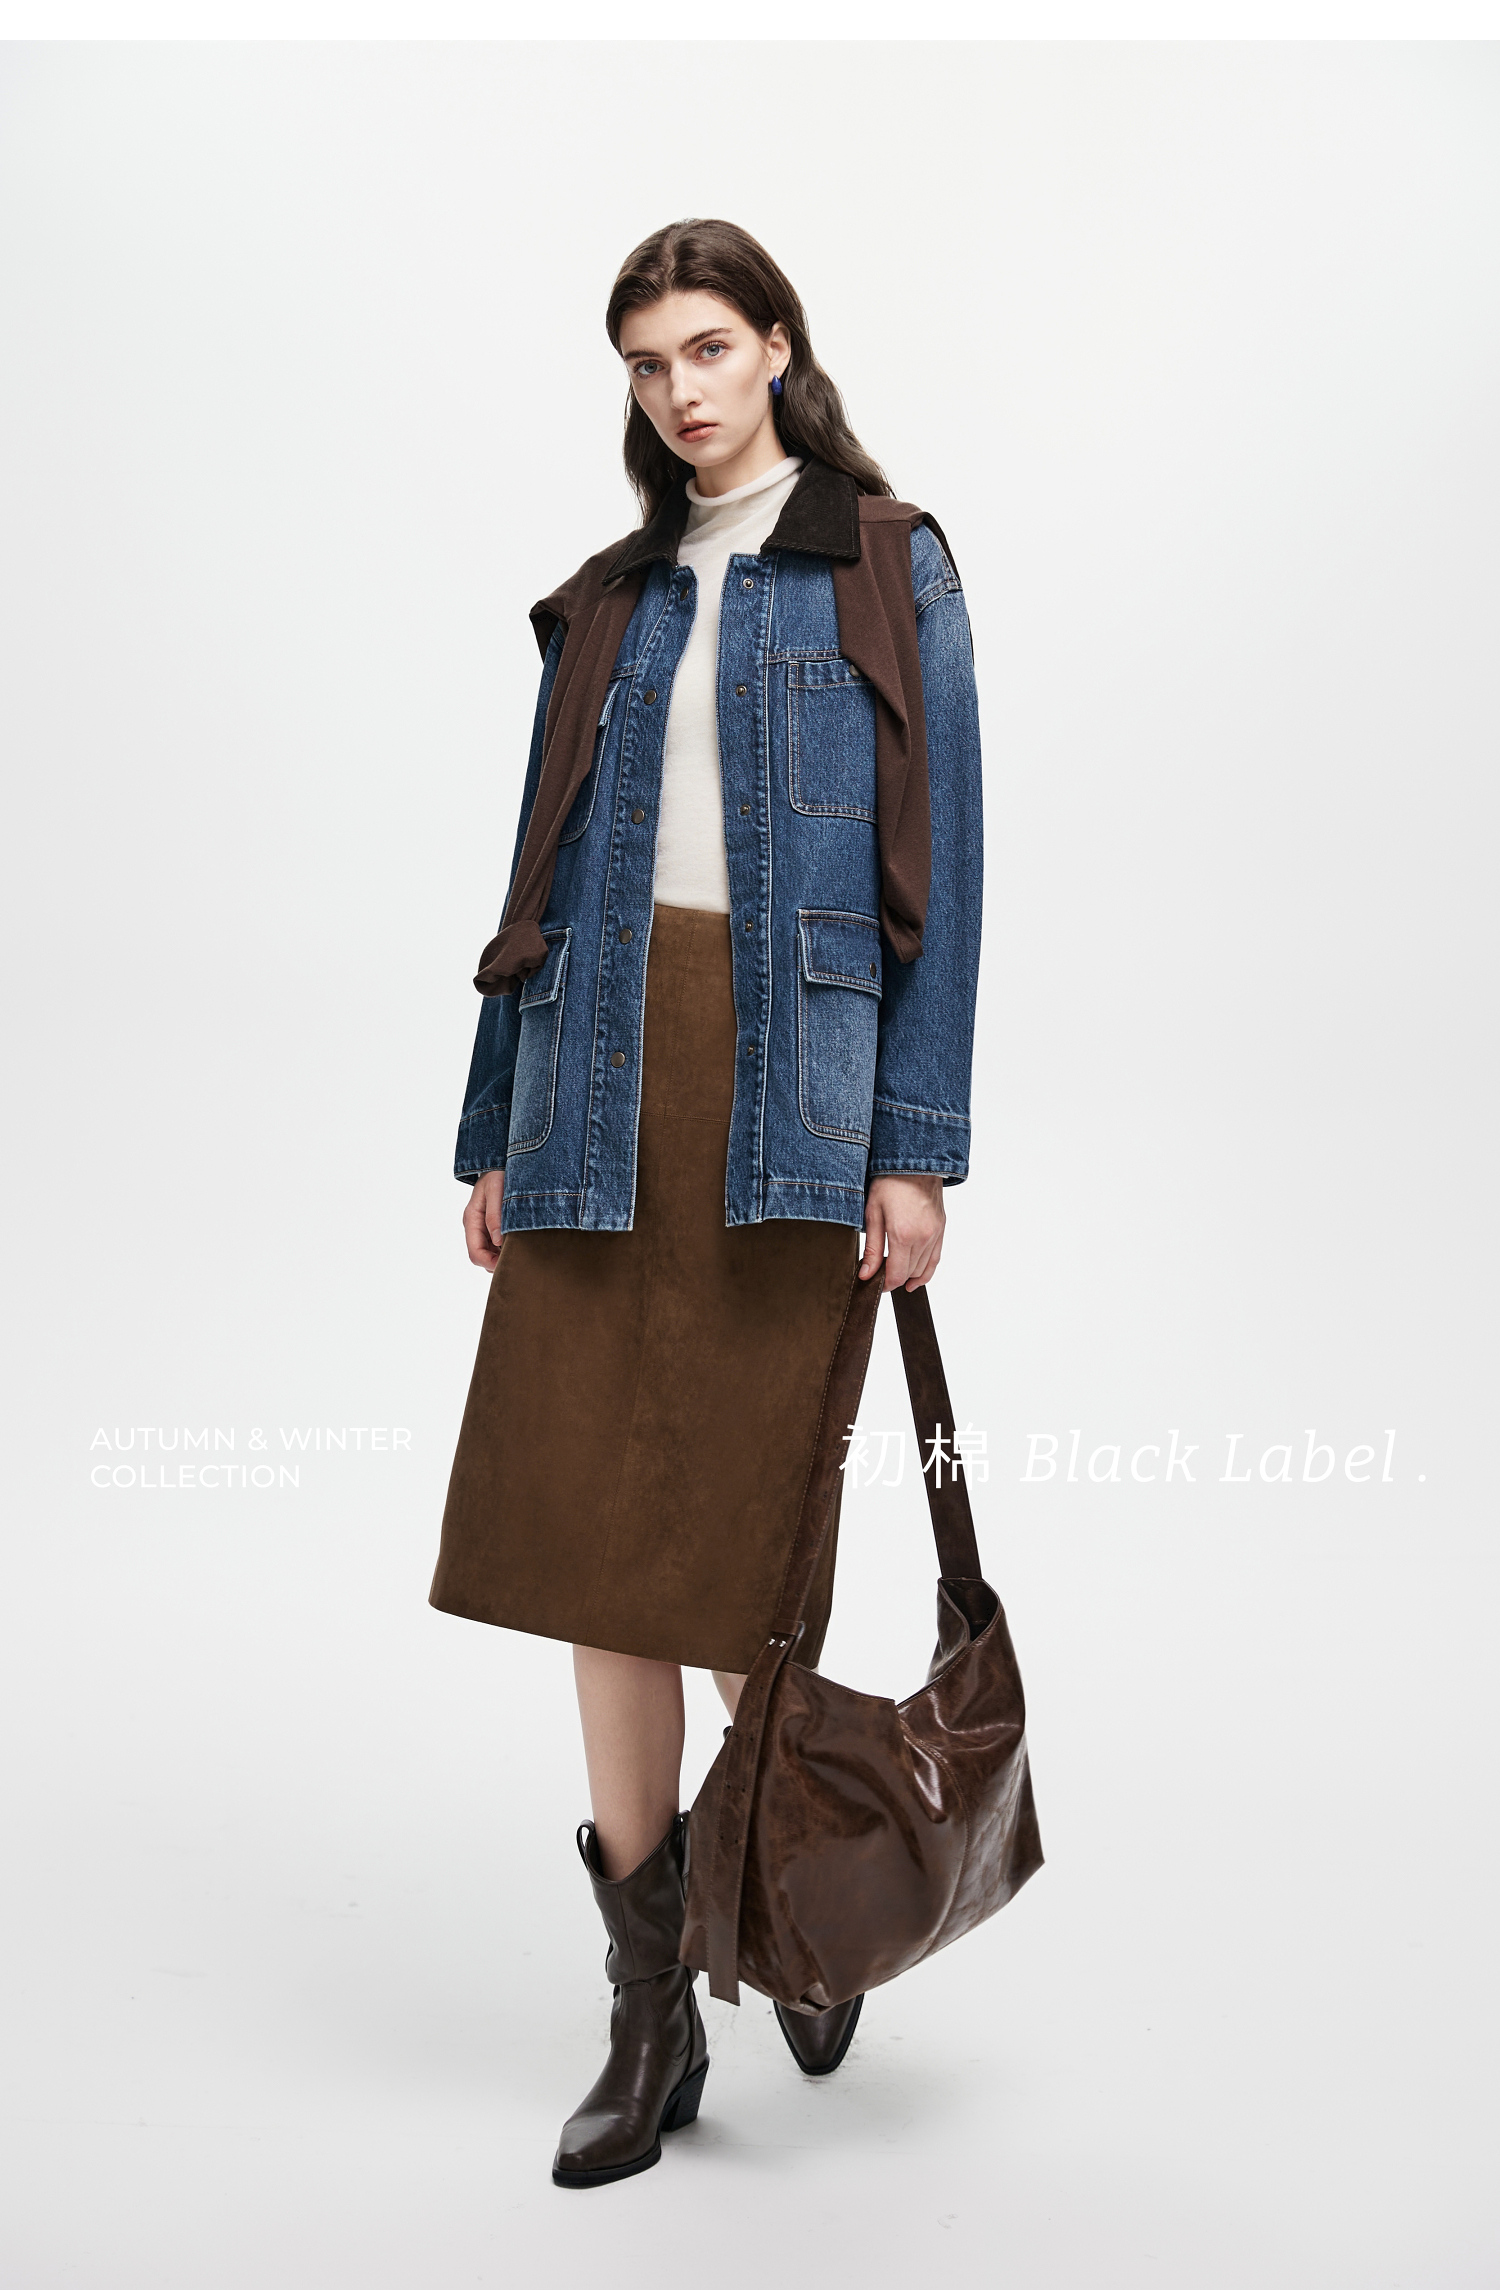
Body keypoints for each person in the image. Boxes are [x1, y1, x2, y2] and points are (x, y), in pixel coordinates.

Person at [429, 217, 983, 2189]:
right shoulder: (612, 598)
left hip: (789, 1103)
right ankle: (650, 2010)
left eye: (709, 347)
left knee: (743, 1555)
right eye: (648, 360)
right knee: (598, 1553)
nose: (680, 388)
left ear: (776, 346)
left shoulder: (888, 565)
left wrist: (912, 1138)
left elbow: (945, 866)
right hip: (594, 1081)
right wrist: (493, 1123)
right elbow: (533, 876)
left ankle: (801, 1879)